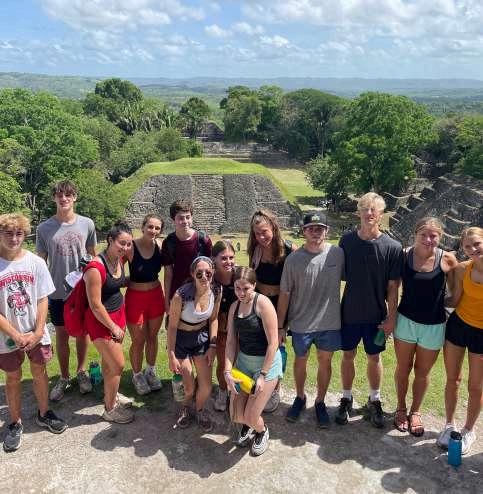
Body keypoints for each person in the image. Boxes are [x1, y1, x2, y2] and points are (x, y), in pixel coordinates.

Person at [0, 214, 67, 452]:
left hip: (35, 331)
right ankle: (15, 422)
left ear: (25, 235)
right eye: (8, 233)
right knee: (13, 377)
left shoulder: (35, 262)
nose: (14, 238)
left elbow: (42, 298)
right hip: (7, 335)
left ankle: (44, 412)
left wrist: (38, 331)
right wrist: (15, 335)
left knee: (39, 371)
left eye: (19, 233)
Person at [336, 192, 403, 428]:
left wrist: (391, 318)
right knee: (348, 355)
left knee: (374, 357)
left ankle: (374, 399)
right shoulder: (346, 242)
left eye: (374, 209)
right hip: (349, 312)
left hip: (376, 315)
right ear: (359, 213)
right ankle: (346, 397)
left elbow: (393, 287)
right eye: (365, 208)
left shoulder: (392, 247)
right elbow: (337, 277)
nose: (369, 213)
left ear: (381, 214)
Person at [277, 213, 344, 427]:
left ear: (327, 231)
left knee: (325, 361)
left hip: (329, 321)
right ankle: (300, 396)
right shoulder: (293, 259)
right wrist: (280, 326)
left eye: (320, 228)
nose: (316, 232)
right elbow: (285, 293)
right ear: (303, 231)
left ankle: (320, 401)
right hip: (301, 321)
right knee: (300, 359)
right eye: (311, 228)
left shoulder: (337, 254)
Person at [393, 218, 457, 436]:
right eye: (424, 235)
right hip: (406, 322)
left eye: (433, 236)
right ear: (415, 234)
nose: (428, 240)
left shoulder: (447, 259)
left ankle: (416, 411)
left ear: (440, 237)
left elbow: (455, 293)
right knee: (403, 368)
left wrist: (439, 305)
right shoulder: (404, 256)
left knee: (422, 372)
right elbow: (393, 288)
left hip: (433, 325)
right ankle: (401, 408)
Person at [36, 180, 97, 401]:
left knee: (82, 334)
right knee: (61, 336)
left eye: (68, 195)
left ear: (74, 197)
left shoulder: (87, 224)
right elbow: (40, 263)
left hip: (82, 291)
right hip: (57, 292)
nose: (64, 198)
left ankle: (81, 372)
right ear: (54, 198)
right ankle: (64, 377)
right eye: (59, 195)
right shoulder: (44, 228)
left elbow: (93, 257)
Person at [224, 267, 282, 457]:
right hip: (244, 364)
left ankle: (262, 431)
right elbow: (231, 342)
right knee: (235, 415)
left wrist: (263, 375)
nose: (241, 293)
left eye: (246, 288)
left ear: (254, 285)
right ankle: (249, 425)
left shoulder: (263, 304)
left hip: (267, 365)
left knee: (250, 416)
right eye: (237, 288)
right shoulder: (234, 307)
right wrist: (227, 371)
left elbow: (273, 343)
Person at [84, 221, 134, 424]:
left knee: (109, 362)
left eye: (128, 244)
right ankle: (110, 409)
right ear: (110, 240)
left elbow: (116, 284)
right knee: (118, 364)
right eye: (121, 243)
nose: (125, 248)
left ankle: (111, 395)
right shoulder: (95, 268)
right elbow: (95, 305)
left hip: (117, 314)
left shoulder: (118, 260)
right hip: (101, 320)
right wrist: (112, 327)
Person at [438, 226, 483, 455]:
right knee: (452, 379)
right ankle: (449, 424)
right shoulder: (463, 269)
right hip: (458, 326)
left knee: (476, 386)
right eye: (468, 247)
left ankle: (468, 430)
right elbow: (454, 300)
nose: (473, 249)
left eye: (477, 244)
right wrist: (428, 298)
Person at [247, 208, 296, 412]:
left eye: (264, 232)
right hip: (260, 303)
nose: (261, 237)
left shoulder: (289, 250)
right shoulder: (255, 250)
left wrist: (283, 323)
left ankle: (275, 387)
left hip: (281, 303)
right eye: (257, 233)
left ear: (274, 229)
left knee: (278, 345)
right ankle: (261, 380)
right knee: (262, 344)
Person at [167, 256, 221, 432]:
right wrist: (171, 355)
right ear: (192, 274)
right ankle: (185, 407)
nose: (204, 276)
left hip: (201, 339)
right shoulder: (180, 296)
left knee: (206, 386)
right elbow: (172, 327)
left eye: (208, 273)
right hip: (181, 340)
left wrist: (213, 346)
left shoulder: (216, 291)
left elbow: (213, 319)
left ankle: (199, 409)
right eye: (199, 273)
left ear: (213, 272)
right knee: (189, 387)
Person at [124, 214, 165, 396]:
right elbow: (114, 267)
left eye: (157, 228)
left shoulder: (160, 247)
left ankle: (150, 371)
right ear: (142, 227)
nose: (153, 231)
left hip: (156, 296)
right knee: (138, 340)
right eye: (150, 226)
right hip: (136, 298)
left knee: (152, 337)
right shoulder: (131, 246)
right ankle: (137, 375)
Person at [161, 199, 212, 314]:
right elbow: (168, 274)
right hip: (177, 293)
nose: (185, 221)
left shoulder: (203, 240)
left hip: (200, 291)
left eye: (188, 217)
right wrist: (166, 300)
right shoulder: (169, 242)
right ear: (173, 220)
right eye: (180, 218)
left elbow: (211, 270)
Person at [212, 240, 237, 412]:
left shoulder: (240, 276)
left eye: (231, 257)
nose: (228, 261)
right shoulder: (210, 278)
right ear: (214, 258)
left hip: (238, 328)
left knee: (239, 363)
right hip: (219, 329)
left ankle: (236, 393)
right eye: (223, 258)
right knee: (222, 363)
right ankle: (222, 391)